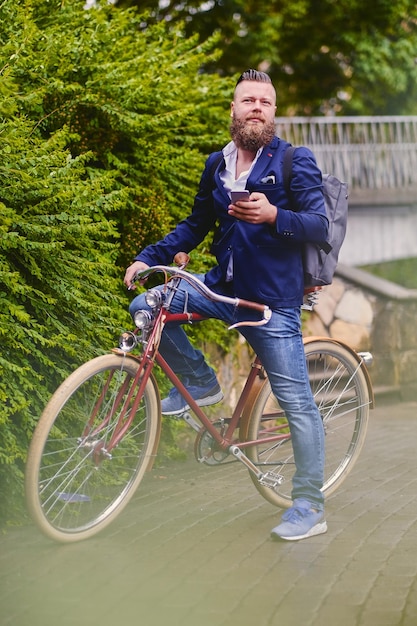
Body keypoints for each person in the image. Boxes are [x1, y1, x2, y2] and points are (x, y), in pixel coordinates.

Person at [124, 69, 328, 541]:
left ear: (273, 113)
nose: (257, 107)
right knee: (148, 303)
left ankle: (310, 505)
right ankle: (200, 381)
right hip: (219, 288)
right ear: (233, 110)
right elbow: (194, 226)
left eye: (266, 102)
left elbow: (319, 225)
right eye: (248, 100)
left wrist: (275, 215)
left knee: (298, 403)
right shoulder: (216, 163)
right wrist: (147, 257)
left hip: (270, 304)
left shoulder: (295, 161)